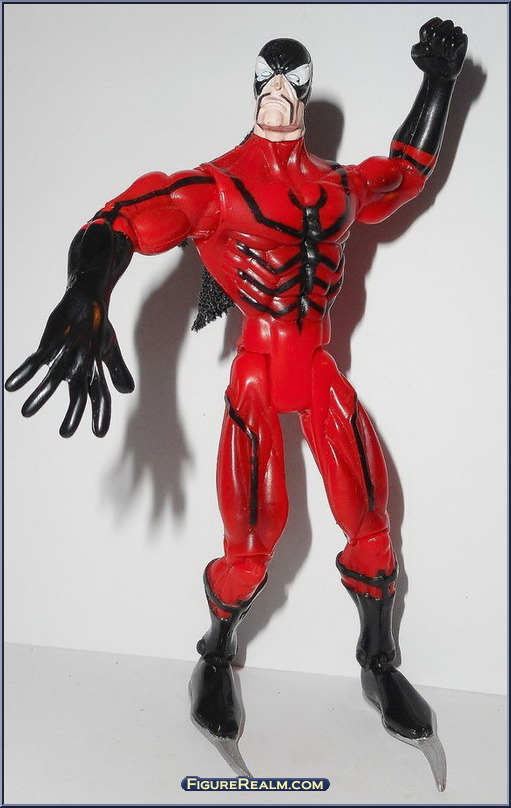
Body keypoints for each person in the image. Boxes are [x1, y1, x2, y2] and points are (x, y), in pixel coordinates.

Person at [6, 18, 467, 789]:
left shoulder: (337, 186)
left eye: (293, 82)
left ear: (305, 93)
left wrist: (438, 85)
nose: (278, 94)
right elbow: (121, 219)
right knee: (252, 537)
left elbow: (404, 173)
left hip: (314, 366)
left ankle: (378, 658)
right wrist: (88, 286)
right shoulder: (217, 186)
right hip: (255, 367)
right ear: (252, 87)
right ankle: (217, 653)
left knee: (371, 518)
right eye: (267, 81)